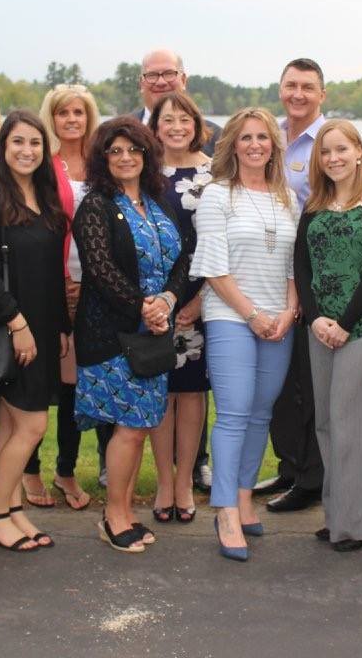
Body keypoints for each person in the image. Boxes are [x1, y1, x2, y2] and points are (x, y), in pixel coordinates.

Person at [72, 118, 191, 553]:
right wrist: (144, 306)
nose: (125, 158)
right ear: (102, 158)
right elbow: (100, 269)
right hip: (112, 334)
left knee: (139, 425)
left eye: (133, 149)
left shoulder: (159, 202)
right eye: (115, 151)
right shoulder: (96, 206)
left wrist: (169, 300)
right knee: (129, 427)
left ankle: (123, 511)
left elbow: (183, 257)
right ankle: (113, 517)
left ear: (147, 154)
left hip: (154, 332)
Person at [0, 110, 71, 552]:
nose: (27, 151)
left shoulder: (46, 200)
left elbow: (52, 273)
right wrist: (18, 324)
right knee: (32, 424)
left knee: (10, 424)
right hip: (11, 328)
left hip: (43, 328)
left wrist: (60, 327)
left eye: (35, 143)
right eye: (18, 142)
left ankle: (12, 510)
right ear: (3, 147)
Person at [191, 108, 299, 561]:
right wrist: (252, 315)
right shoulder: (218, 195)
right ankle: (225, 511)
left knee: (260, 414)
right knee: (234, 413)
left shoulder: (288, 198)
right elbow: (214, 268)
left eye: (263, 137)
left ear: (274, 145)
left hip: (278, 321)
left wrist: (289, 311)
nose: (255, 145)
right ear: (233, 145)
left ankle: (244, 496)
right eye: (246, 138)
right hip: (231, 317)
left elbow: (294, 266)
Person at [294, 120, 362, 551]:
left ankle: (355, 525)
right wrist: (315, 318)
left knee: (350, 422)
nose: (333, 158)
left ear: (359, 151)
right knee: (325, 423)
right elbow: (301, 266)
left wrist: (345, 322)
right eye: (325, 152)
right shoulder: (315, 205)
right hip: (320, 330)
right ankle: (336, 514)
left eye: (341, 149)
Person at [25, 83, 102, 510]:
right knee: (40, 380)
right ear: (51, 118)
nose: (71, 120)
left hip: (95, 287)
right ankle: (29, 469)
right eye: (63, 113)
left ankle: (66, 469)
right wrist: (60, 280)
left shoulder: (102, 162)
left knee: (74, 384)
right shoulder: (42, 164)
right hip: (49, 284)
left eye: (78, 112)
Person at [145, 92, 213, 523]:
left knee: (190, 392)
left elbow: (224, 241)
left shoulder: (216, 174)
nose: (176, 127)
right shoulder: (144, 172)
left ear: (196, 124)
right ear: (155, 126)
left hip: (203, 296)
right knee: (160, 390)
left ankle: (185, 479)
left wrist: (201, 300)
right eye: (167, 119)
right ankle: (164, 483)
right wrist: (153, 302)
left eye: (183, 118)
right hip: (153, 300)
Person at [263, 59, 326, 513]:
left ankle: (311, 478)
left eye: (307, 87)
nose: (298, 94)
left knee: (310, 383)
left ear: (322, 94)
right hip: (268, 273)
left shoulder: (328, 141)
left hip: (312, 275)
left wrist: (304, 287)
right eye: (291, 85)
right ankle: (289, 466)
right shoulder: (269, 135)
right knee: (281, 382)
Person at [130, 47, 222, 156]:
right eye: (152, 75)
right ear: (141, 83)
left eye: (169, 73)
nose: (161, 82)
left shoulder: (218, 138)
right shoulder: (117, 131)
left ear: (183, 80)